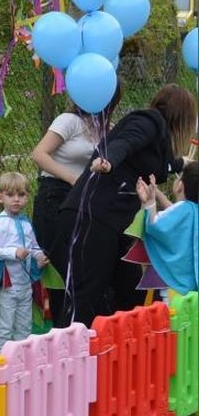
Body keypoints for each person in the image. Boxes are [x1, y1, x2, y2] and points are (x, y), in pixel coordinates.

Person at [49, 84, 196, 327]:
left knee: (131, 294)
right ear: (181, 117)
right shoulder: (148, 121)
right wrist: (108, 160)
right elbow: (126, 143)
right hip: (91, 215)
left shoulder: (157, 140)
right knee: (85, 295)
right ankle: (71, 356)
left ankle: (115, 354)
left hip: (113, 221)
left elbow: (162, 163)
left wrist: (181, 163)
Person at [29, 92, 120, 260]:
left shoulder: (109, 130)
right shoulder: (69, 121)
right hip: (56, 193)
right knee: (59, 261)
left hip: (86, 198)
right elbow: (39, 154)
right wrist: (73, 179)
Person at [0, 172, 48, 352]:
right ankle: (0, 361)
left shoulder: (26, 223)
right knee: (5, 327)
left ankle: (22, 360)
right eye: (11, 195)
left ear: (27, 197)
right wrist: (14, 252)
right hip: (8, 287)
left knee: (24, 327)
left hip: (25, 285)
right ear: (0, 198)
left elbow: (33, 247)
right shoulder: (1, 224)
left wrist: (39, 256)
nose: (16, 200)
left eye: (21, 195)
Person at [136, 163, 198, 295]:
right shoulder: (193, 210)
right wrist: (157, 193)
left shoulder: (182, 209)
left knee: (167, 315)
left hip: (172, 285)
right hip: (189, 287)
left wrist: (150, 200)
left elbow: (155, 225)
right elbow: (172, 211)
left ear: (180, 185)